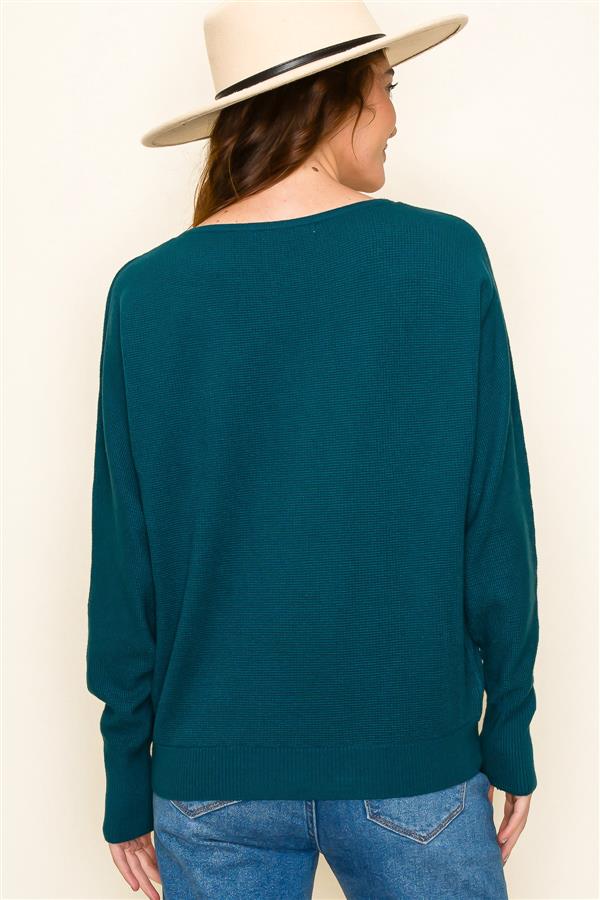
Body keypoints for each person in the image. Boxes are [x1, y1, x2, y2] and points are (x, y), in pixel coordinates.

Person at [85, 2, 540, 898]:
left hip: (209, 776)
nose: (396, 118)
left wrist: (126, 769)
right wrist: (510, 727)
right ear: (334, 98)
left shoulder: (147, 294)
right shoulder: (445, 260)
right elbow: (496, 527)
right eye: (387, 87)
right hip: (412, 759)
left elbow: (125, 563)